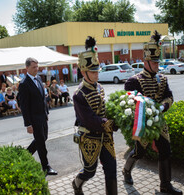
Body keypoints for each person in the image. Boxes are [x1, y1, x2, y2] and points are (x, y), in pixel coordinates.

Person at [122, 31, 182, 195]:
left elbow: (169, 96)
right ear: (145, 61)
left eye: (157, 61)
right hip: (143, 124)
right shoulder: (134, 81)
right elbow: (129, 102)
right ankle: (126, 170)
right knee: (139, 152)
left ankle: (165, 185)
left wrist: (162, 107)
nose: (156, 64)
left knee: (166, 150)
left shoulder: (163, 79)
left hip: (159, 122)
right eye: (153, 61)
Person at [72, 36, 118, 195]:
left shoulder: (100, 87)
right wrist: (110, 123)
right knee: (90, 171)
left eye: (97, 70)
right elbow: (89, 120)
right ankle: (77, 184)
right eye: (93, 71)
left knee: (111, 168)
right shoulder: (79, 94)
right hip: (90, 137)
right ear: (84, 72)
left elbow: (103, 110)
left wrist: (117, 117)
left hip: (106, 136)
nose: (97, 73)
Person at [18, 57, 57, 176]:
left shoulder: (39, 78)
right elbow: (24, 106)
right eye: (34, 67)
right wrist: (28, 124)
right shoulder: (24, 84)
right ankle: (46, 167)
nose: (37, 69)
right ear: (27, 68)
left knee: (43, 138)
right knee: (41, 143)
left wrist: (46, 113)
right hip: (34, 119)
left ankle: (26, 154)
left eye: (37, 66)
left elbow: (42, 98)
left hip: (43, 116)